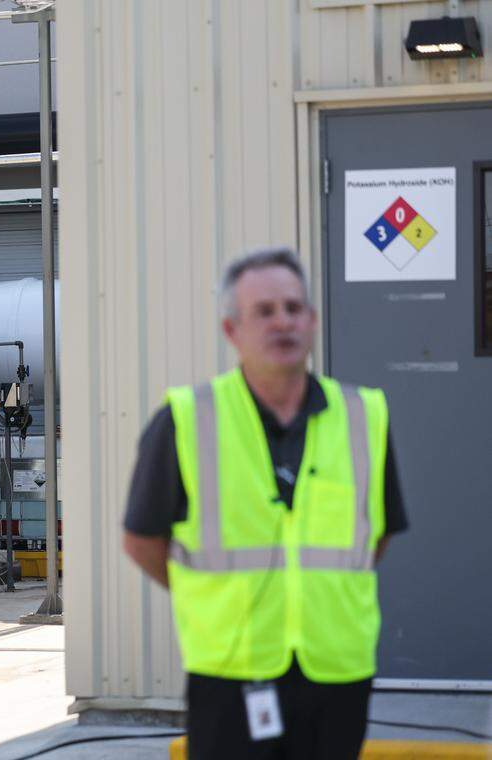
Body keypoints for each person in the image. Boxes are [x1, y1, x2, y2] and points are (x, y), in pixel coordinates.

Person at [122, 248, 408, 760]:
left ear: (313, 321)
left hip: (338, 669)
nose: (283, 322)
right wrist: (205, 592)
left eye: (294, 308)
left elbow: (378, 534)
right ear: (232, 330)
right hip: (231, 671)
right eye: (265, 311)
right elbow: (142, 539)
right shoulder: (187, 419)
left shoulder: (364, 415)